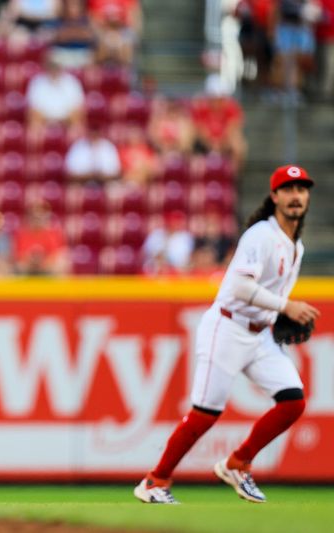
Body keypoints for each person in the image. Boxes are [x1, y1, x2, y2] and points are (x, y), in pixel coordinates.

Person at [134, 165, 320, 504]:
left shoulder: (297, 246)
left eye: (302, 189)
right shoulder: (261, 234)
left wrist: (276, 313)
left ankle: (237, 463)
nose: (296, 196)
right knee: (206, 412)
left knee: (293, 402)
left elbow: (266, 292)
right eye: (289, 189)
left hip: (259, 334)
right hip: (228, 326)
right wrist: (285, 306)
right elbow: (237, 285)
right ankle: (154, 481)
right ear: (274, 196)